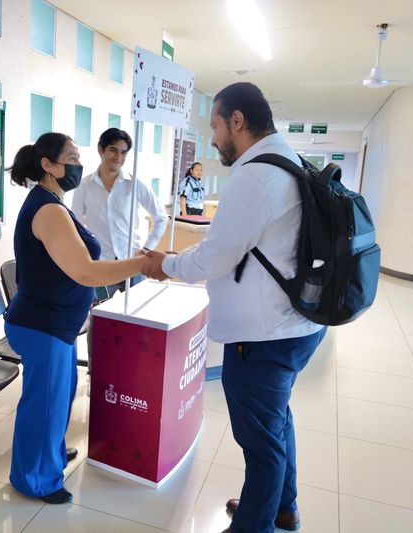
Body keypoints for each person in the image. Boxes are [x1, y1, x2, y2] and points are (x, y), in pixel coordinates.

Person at [141, 82, 327, 533]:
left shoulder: (255, 176)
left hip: (264, 338)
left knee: (261, 442)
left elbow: (214, 257)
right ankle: (283, 507)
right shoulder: (292, 161)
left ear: (237, 122)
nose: (213, 139)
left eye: (215, 126)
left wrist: (163, 265)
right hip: (298, 324)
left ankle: (254, 525)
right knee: (277, 420)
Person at [4, 132, 147, 504]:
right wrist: (144, 264)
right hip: (41, 324)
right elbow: (84, 271)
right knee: (45, 404)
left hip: (58, 323)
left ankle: (47, 452)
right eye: (71, 157)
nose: (78, 163)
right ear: (48, 166)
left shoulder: (55, 203)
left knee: (58, 398)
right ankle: (35, 480)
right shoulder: (48, 209)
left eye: (79, 156)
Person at [71, 128, 168, 291]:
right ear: (100, 150)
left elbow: (161, 218)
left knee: (135, 314)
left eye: (123, 153)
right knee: (100, 313)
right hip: (101, 265)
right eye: (113, 150)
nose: (118, 157)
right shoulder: (84, 186)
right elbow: (76, 225)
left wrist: (145, 250)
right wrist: (87, 254)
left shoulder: (135, 184)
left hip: (133, 263)